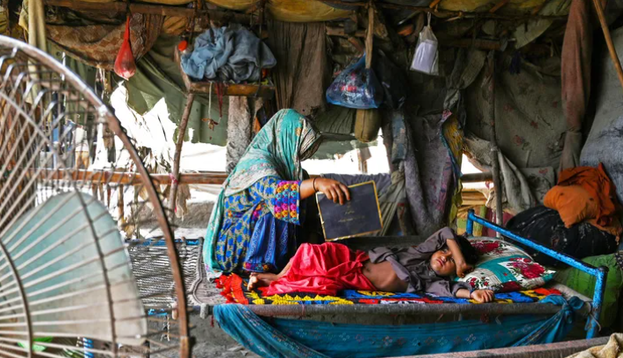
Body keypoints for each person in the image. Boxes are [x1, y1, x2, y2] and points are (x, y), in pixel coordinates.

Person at [203, 109, 351, 275]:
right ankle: (259, 270)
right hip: (232, 249)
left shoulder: (296, 174)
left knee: (303, 208)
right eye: (298, 146)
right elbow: (278, 196)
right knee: (279, 206)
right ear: (286, 138)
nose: (300, 155)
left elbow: (310, 218)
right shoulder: (257, 164)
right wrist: (316, 183)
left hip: (265, 246)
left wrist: (311, 250)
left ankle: (288, 265)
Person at [249, 227, 496, 303]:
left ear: (456, 272)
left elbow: (453, 291)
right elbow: (445, 232)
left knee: (317, 283)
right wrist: (460, 258)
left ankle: (265, 279)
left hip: (354, 279)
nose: (445, 257)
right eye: (445, 252)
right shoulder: (421, 252)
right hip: (353, 260)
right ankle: (275, 276)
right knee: (311, 252)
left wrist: (474, 292)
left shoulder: (432, 282)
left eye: (451, 262)